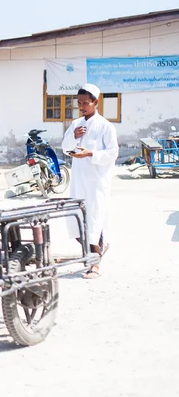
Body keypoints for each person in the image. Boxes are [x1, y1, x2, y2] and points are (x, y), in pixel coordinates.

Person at [61, 83, 119, 279]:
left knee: (95, 217)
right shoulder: (76, 124)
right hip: (79, 179)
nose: (82, 106)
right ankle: (96, 251)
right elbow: (65, 147)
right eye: (79, 103)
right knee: (77, 218)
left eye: (86, 103)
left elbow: (112, 154)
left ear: (96, 102)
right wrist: (72, 140)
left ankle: (95, 263)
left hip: (96, 181)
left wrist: (90, 154)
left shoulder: (105, 126)